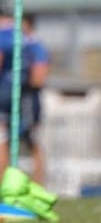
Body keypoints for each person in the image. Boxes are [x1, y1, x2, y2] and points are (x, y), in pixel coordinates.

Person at [20, 14, 51, 186]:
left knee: (33, 142)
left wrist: (22, 80)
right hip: (11, 100)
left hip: (28, 102)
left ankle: (38, 185)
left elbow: (39, 78)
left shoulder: (35, 47)